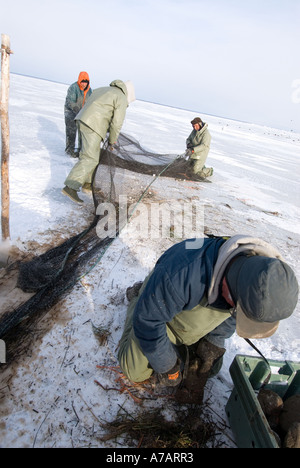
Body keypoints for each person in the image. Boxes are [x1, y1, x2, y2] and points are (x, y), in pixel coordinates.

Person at [118, 235, 299, 403]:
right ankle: (139, 294)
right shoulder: (182, 275)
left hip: (186, 305)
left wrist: (214, 341)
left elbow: (232, 314)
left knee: (209, 367)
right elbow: (148, 321)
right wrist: (167, 365)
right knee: (134, 369)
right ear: (229, 288)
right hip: (158, 304)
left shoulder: (258, 275)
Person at [62, 79, 135, 204]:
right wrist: (112, 140)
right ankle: (71, 186)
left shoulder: (102, 89)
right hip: (93, 125)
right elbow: (117, 123)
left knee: (93, 155)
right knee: (89, 158)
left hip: (82, 119)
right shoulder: (121, 97)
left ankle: (87, 183)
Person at [64, 71, 92, 158]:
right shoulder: (73, 87)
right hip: (71, 112)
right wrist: (77, 109)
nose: (84, 84)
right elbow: (71, 102)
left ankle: (81, 150)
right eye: (82, 82)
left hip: (82, 114)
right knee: (71, 131)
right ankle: (70, 150)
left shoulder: (89, 90)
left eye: (86, 82)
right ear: (79, 81)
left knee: (82, 132)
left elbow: (90, 102)